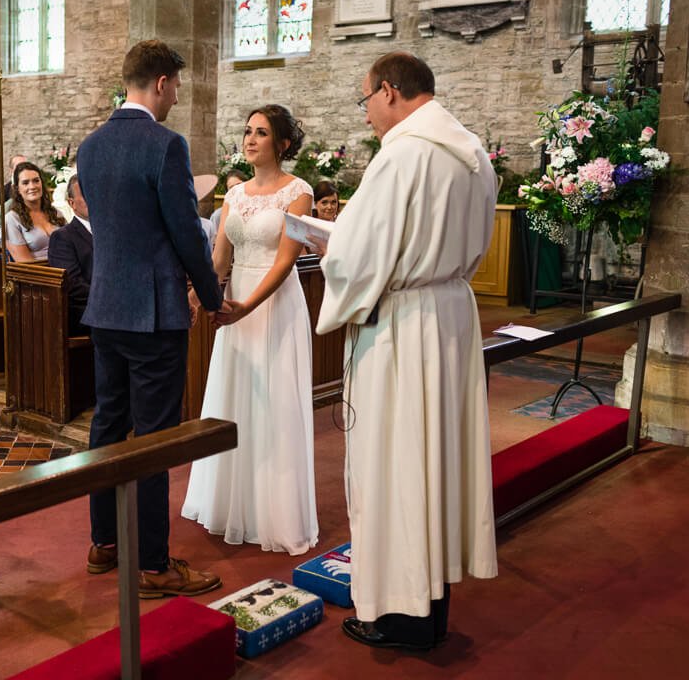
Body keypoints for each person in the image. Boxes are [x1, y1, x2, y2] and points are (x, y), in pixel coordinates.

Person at [316, 51, 497, 652]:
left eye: (365, 99)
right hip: (449, 318)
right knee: (435, 462)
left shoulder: (403, 156)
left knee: (394, 466)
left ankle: (399, 614)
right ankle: (432, 604)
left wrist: (329, 247)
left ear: (389, 92)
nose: (367, 114)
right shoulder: (471, 153)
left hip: (402, 326)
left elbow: (354, 257)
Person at [76, 39, 225, 599]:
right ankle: (156, 565)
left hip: (106, 309)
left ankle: (104, 542)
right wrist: (212, 298)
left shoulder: (90, 147)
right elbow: (187, 232)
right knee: (156, 440)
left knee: (108, 427)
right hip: (155, 313)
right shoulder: (165, 145)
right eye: (177, 86)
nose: (177, 98)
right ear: (161, 82)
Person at [181, 104, 318, 556]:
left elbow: (285, 261)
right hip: (235, 302)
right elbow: (219, 261)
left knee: (274, 403)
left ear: (281, 144)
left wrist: (247, 307)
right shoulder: (233, 197)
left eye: (261, 132)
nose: (250, 139)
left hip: (273, 305)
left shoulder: (299, 192)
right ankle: (228, 503)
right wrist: (198, 297)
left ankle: (273, 513)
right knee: (235, 400)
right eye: (247, 131)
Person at [47, 174, 92, 335]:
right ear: (71, 203)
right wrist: (108, 296)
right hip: (84, 311)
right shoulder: (63, 237)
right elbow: (72, 285)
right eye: (86, 194)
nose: (93, 198)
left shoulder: (110, 232)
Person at [2, 161, 65, 262]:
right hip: (38, 274)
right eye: (25, 183)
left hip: (67, 269)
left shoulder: (56, 212)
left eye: (36, 181)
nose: (32, 186)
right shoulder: (11, 219)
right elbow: (25, 263)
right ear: (17, 188)